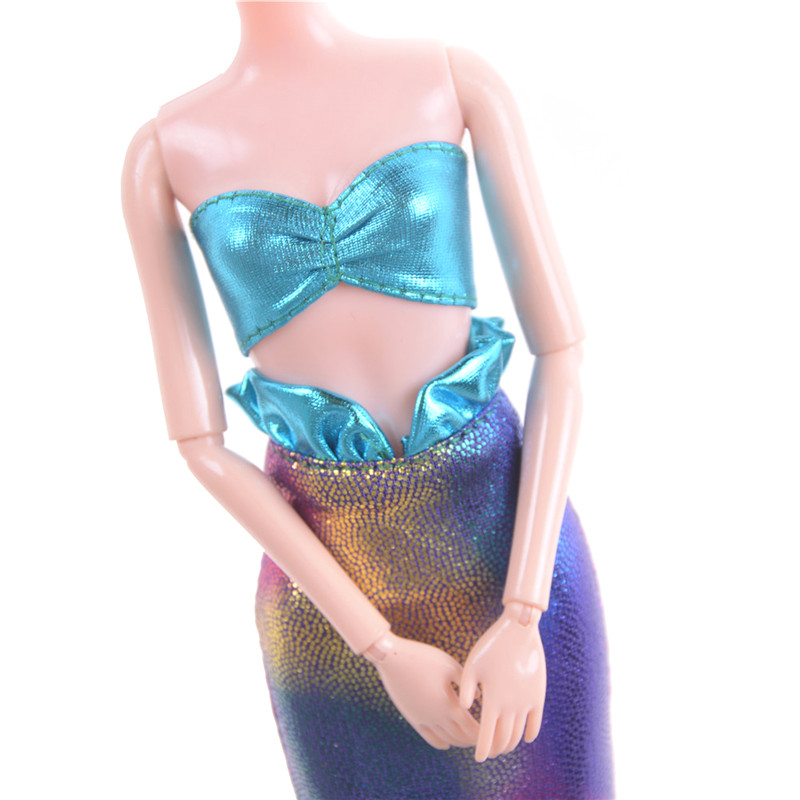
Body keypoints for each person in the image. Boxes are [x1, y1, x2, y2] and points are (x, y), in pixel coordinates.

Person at [121, 3, 612, 798]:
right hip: (329, 606)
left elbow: (562, 354)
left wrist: (524, 614)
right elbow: (200, 446)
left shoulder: (453, 79)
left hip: (507, 548)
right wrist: (377, 646)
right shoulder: (163, 153)